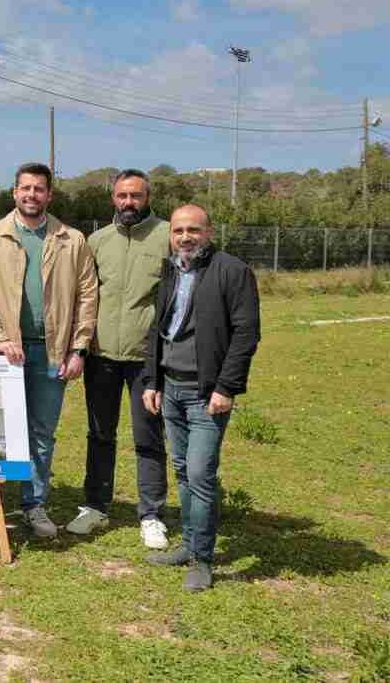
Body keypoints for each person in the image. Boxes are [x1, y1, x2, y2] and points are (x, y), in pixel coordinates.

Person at [0, 163, 98, 538]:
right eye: (25, 188)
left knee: (41, 433)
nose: (31, 195)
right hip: (1, 355)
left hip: (51, 353)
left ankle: (34, 504)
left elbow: (88, 297)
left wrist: (79, 348)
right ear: (15, 192)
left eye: (39, 189)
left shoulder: (72, 240)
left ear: (49, 195)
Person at [143, 204, 260, 591]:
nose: (185, 237)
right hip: (171, 388)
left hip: (206, 394)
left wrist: (226, 387)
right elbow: (157, 328)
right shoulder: (171, 269)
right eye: (178, 231)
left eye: (193, 230)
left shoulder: (232, 271)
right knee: (182, 470)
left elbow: (246, 334)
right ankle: (190, 545)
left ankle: (202, 560)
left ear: (209, 232)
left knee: (199, 475)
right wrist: (152, 380)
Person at [66, 169, 172, 549]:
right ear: (113, 198)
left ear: (147, 198)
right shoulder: (97, 241)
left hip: (147, 357)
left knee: (149, 436)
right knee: (99, 433)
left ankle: (151, 514)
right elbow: (84, 295)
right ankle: (95, 506)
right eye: (123, 195)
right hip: (101, 355)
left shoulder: (167, 236)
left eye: (136, 195)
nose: (129, 202)